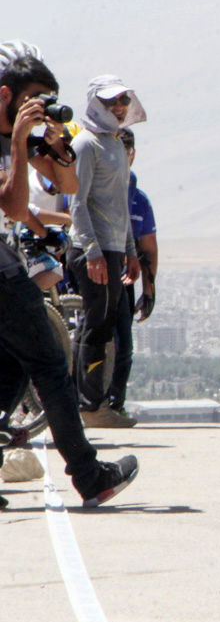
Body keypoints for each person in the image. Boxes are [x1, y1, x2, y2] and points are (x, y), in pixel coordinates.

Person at [0, 41, 137, 509]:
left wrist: (56, 148)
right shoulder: (9, 137)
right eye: (31, 98)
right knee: (51, 365)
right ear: (5, 96)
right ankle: (89, 474)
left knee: (17, 360)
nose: (37, 109)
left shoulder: (31, 137)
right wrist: (18, 141)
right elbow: (15, 204)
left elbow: (70, 186)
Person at [68, 75, 147, 428]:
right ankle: (88, 405)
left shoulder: (114, 144)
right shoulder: (86, 144)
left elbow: (118, 205)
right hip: (92, 249)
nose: (117, 108)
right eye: (110, 102)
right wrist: (93, 251)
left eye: (122, 102)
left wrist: (130, 251)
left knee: (106, 324)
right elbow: (77, 202)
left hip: (114, 248)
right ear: (95, 104)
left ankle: (94, 402)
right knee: (95, 326)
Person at [106, 128, 158, 423]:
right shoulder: (96, 187)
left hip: (126, 278)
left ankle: (115, 403)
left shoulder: (139, 200)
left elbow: (149, 247)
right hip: (94, 272)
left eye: (126, 151)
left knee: (124, 343)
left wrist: (149, 292)